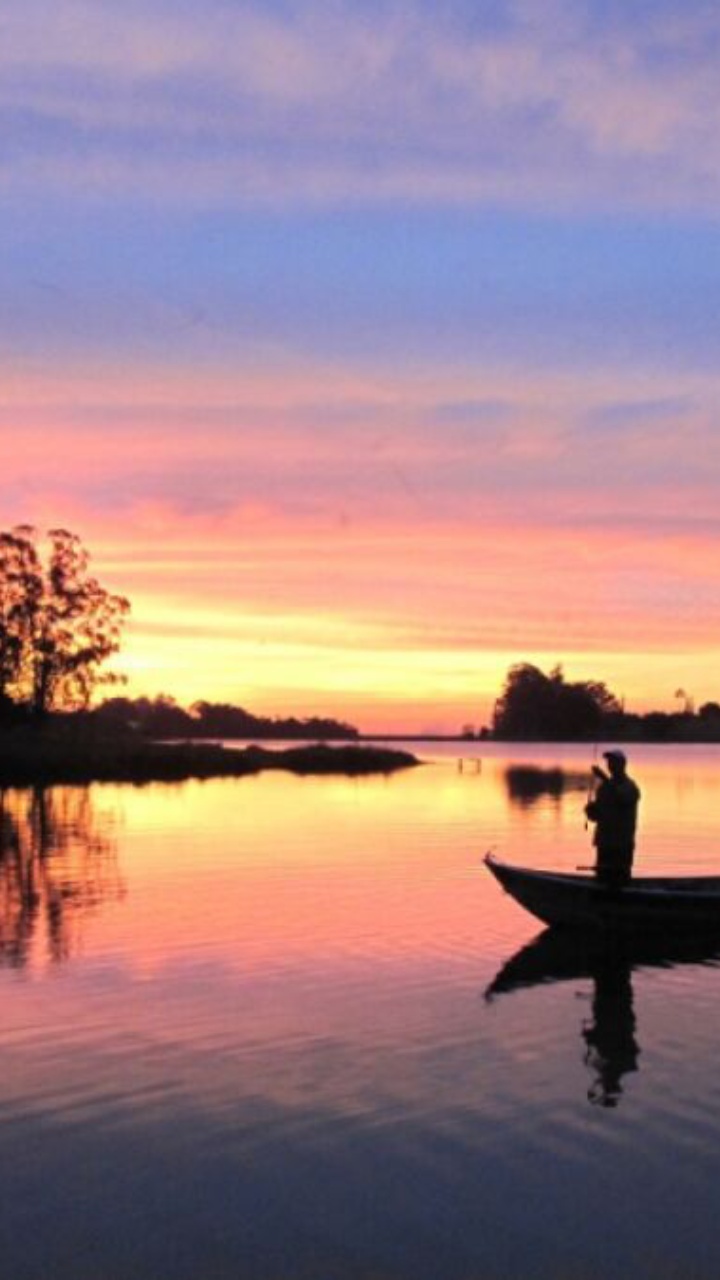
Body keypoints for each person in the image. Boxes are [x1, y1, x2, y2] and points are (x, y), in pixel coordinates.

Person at [585, 749, 640, 887]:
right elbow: (598, 815)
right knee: (602, 880)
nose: (610, 765)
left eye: (614, 762)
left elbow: (623, 798)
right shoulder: (603, 788)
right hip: (604, 842)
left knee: (620, 882)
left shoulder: (630, 786)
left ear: (622, 765)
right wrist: (591, 812)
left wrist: (605, 779)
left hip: (621, 844)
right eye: (609, 762)